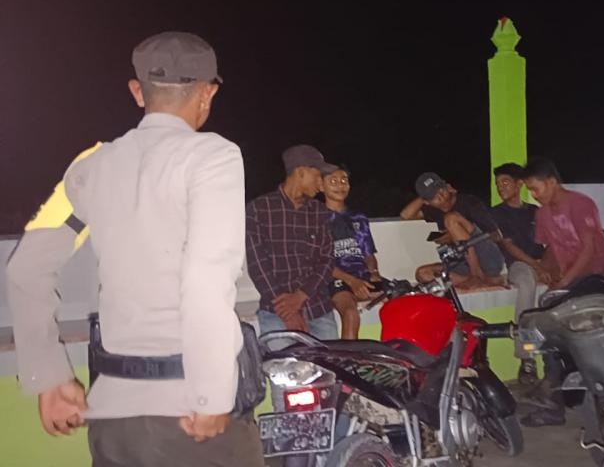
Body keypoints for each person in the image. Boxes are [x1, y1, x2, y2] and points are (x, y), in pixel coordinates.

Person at [6, 32, 263, 466]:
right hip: (191, 414)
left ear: (138, 91)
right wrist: (211, 393)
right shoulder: (213, 156)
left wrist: (48, 376)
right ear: (208, 94)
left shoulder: (89, 168)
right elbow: (206, 277)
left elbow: (25, 269)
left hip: (114, 419)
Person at [246, 144, 338, 341]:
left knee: (331, 362)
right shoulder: (259, 210)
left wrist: (301, 296)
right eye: (318, 175)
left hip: (318, 309)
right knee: (284, 361)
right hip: (276, 312)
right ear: (301, 172)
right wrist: (289, 312)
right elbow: (258, 265)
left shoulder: (319, 212)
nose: (321, 183)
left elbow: (327, 260)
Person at [400, 172, 507, 290]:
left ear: (447, 186)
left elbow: (496, 235)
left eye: (440, 189)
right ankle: (483, 280)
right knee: (422, 274)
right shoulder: (432, 210)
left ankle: (477, 276)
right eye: (433, 196)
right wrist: (423, 197)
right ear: (427, 202)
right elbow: (405, 215)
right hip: (462, 263)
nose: (440, 195)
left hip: (488, 258)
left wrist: (456, 235)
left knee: (451, 218)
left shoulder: (469, 202)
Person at [523, 158, 604, 288]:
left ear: (552, 182)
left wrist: (565, 282)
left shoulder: (580, 204)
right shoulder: (541, 214)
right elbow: (551, 248)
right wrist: (543, 271)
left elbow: (588, 249)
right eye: (530, 191)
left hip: (599, 276)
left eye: (535, 189)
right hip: (571, 279)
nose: (533, 195)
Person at [321, 166, 382, 339]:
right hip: (335, 279)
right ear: (321, 186)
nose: (340, 185)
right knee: (350, 313)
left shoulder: (359, 218)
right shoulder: (317, 218)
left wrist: (374, 273)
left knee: (401, 299)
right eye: (333, 181)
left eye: (344, 180)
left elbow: (368, 254)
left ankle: (394, 352)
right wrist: (352, 282)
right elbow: (320, 262)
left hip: (362, 276)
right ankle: (347, 356)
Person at [490, 162, 550, 318]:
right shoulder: (496, 213)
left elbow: (551, 240)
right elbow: (508, 246)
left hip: (541, 262)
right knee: (526, 281)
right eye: (497, 184)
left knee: (567, 278)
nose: (500, 188)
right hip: (518, 264)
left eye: (505, 182)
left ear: (519, 184)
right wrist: (537, 266)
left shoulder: (534, 210)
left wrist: (547, 264)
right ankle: (523, 331)